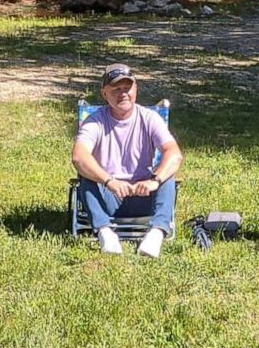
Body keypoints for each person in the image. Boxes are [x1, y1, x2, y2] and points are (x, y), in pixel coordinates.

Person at [70, 63, 183, 258]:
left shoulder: (150, 118)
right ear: (104, 94)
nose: (123, 93)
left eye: (127, 88)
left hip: (143, 194)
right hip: (108, 196)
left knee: (168, 173)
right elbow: (79, 157)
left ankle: (156, 234)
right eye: (116, 89)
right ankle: (105, 233)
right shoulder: (94, 122)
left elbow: (174, 153)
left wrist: (154, 181)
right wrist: (109, 181)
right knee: (85, 174)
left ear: (136, 89)